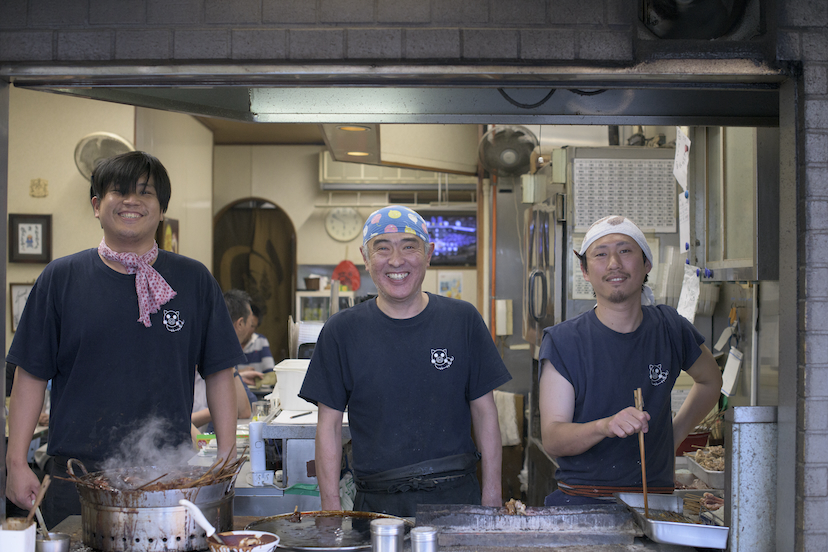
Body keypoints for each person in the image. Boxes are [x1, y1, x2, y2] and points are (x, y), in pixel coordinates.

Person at [5, 151, 247, 526]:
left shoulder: (193, 279)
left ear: (162, 210)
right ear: (97, 205)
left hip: (169, 478)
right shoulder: (61, 278)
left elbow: (219, 371)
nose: (132, 200)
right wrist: (16, 462)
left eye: (145, 193)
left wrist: (226, 459)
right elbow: (30, 375)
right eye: (118, 191)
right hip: (76, 477)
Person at [299, 205, 512, 517]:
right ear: (365, 257)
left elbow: (485, 414)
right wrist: (331, 511)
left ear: (428, 254)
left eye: (409, 247)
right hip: (376, 506)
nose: (396, 260)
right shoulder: (342, 331)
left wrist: (492, 495)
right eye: (382, 248)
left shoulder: (462, 320)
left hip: (456, 498)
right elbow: (328, 427)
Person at [538, 215, 723, 506]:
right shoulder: (564, 342)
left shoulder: (671, 328)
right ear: (585, 271)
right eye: (600, 254)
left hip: (655, 502)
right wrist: (605, 426)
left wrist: (670, 439)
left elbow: (711, 381)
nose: (614, 263)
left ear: (646, 264)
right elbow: (553, 437)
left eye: (625, 251)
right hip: (585, 503)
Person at [192, 289, 258, 433]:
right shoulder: (200, 351)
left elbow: (244, 410)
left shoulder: (227, 359)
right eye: (251, 323)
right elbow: (242, 411)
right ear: (240, 323)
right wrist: (223, 409)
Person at [237, 303, 276, 387]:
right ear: (239, 323)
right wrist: (240, 373)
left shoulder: (261, 341)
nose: (247, 329)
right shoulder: (229, 344)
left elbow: (270, 374)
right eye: (247, 324)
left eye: (252, 326)